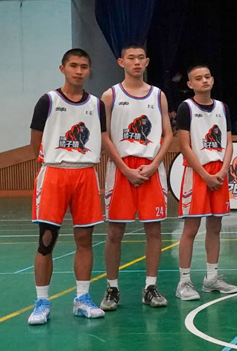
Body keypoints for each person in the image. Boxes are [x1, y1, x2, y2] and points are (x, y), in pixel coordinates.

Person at [28, 49, 108, 325]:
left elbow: (102, 137)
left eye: (84, 66)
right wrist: (50, 162)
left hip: (85, 174)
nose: (78, 71)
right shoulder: (48, 100)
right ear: (62, 68)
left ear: (89, 71)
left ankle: (82, 298)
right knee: (46, 240)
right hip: (54, 173)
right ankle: (41, 302)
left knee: (84, 239)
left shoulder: (96, 104)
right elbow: (35, 140)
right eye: (73, 65)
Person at [98, 44, 173, 311]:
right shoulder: (110, 95)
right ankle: (112, 288)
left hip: (151, 167)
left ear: (147, 61)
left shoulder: (158, 95)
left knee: (154, 230)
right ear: (121, 62)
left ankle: (150, 287)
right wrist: (125, 169)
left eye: (141, 57)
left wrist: (154, 165)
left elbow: (168, 134)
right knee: (115, 231)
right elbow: (104, 135)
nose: (137, 62)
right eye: (131, 58)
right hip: (121, 169)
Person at [175, 64, 237, 300]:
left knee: (215, 227)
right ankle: (184, 282)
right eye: (198, 78)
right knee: (191, 229)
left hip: (219, 172)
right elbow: (184, 145)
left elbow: (229, 142)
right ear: (190, 84)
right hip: (197, 173)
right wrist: (204, 175)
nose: (204, 80)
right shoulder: (186, 108)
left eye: (208, 76)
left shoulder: (222, 107)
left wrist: (223, 170)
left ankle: (211, 278)